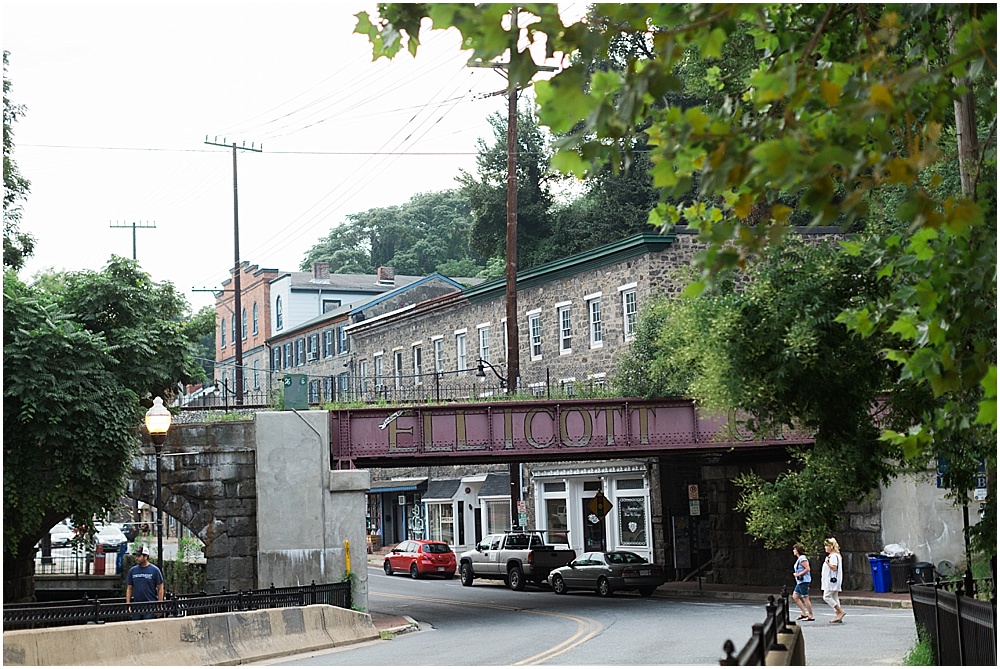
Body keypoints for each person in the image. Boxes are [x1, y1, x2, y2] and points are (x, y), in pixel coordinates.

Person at [125, 545, 164, 620]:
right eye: (136, 556)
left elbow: (160, 588)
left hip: (150, 605)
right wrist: (128, 604)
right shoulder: (132, 571)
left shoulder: (155, 570)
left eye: (139, 556)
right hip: (137, 605)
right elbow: (129, 588)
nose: (137, 558)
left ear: (146, 556)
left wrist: (159, 605)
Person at [822, 537, 846, 623]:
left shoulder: (833, 556)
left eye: (826, 546)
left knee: (827, 596)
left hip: (831, 580)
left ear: (831, 547)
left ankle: (840, 611)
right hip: (833, 580)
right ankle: (838, 616)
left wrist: (827, 563)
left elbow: (834, 567)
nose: (825, 548)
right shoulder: (836, 555)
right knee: (835, 597)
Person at [791, 543, 814, 621]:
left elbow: (807, 568)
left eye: (794, 549)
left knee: (805, 598)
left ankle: (811, 615)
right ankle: (804, 613)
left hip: (803, 581)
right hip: (800, 581)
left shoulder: (802, 558)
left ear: (797, 551)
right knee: (795, 596)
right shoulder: (799, 558)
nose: (793, 551)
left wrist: (798, 574)